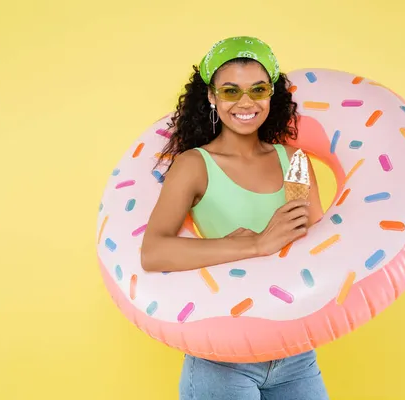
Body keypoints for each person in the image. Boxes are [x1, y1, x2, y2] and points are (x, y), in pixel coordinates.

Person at [140, 36, 329, 400]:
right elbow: (153, 251)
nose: (245, 102)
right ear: (211, 97)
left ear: (271, 94)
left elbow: (316, 247)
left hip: (295, 353)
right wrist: (256, 244)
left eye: (257, 89)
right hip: (222, 355)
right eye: (230, 91)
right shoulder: (195, 165)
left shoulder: (295, 161)